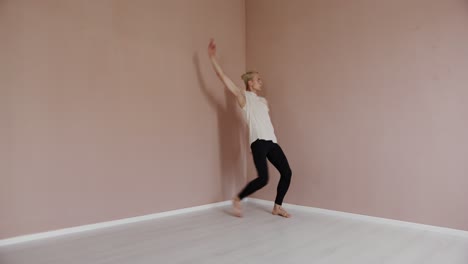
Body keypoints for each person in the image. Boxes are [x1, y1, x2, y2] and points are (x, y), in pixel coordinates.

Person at [208, 39, 292, 218]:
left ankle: (277, 206)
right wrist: (212, 58)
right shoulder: (243, 96)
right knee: (263, 178)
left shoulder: (263, 101)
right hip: (259, 142)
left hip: (272, 141)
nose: (261, 82)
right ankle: (238, 198)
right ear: (250, 83)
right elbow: (223, 77)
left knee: (287, 172)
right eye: (258, 80)